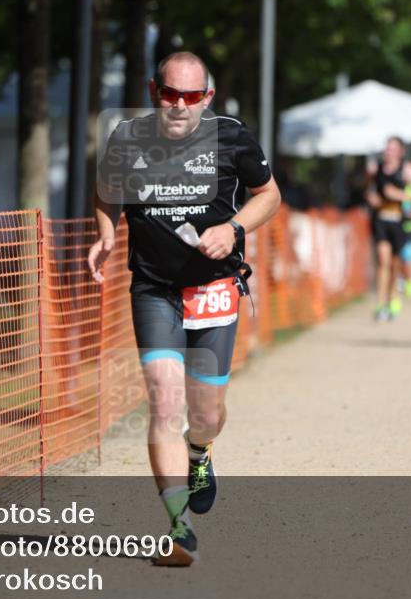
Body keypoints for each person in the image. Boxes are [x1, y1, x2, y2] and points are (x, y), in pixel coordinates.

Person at [87, 51, 280, 566]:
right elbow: (106, 195)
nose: (179, 105)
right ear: (155, 90)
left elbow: (269, 195)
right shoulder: (126, 140)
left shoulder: (231, 136)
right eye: (171, 94)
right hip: (153, 289)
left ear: (207, 98)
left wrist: (233, 228)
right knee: (165, 405)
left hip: (214, 288)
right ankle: (178, 528)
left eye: (191, 97)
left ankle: (201, 453)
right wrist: (106, 236)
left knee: (206, 413)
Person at [365, 137, 411, 321]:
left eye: (393, 148)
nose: (388, 151)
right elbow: (368, 189)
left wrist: (397, 195)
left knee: (394, 264)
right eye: (387, 148)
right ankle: (380, 303)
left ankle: (393, 298)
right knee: (383, 261)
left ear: (401, 151)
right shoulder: (376, 169)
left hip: (399, 222)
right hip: (381, 220)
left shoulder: (408, 170)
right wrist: (371, 197)